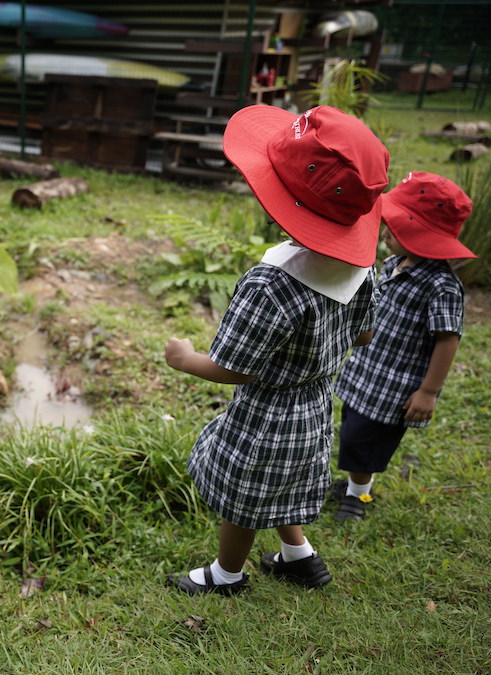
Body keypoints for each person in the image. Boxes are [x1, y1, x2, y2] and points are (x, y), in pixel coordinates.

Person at [164, 105, 389, 595]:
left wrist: (184, 358)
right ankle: (298, 556)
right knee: (281, 482)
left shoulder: (273, 286)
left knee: (244, 497)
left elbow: (235, 369)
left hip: (265, 415)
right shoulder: (361, 269)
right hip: (313, 407)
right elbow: (365, 335)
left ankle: (227, 575)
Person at [332, 172, 475, 521]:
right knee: (351, 431)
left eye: (393, 228)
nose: (385, 232)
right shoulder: (394, 264)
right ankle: (355, 484)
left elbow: (447, 339)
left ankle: (358, 497)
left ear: (419, 234)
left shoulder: (442, 286)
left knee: (365, 442)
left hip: (394, 385)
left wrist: (428, 391)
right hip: (367, 369)